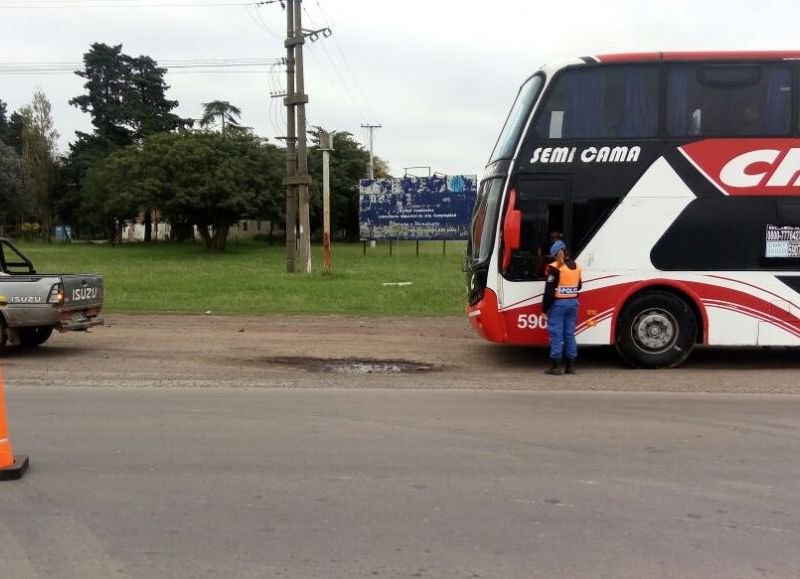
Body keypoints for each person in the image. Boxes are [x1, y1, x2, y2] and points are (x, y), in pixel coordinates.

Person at [542, 239, 582, 375]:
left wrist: (544, 309)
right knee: (569, 334)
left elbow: (549, 291)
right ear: (566, 251)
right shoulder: (576, 266)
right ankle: (570, 367)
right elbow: (579, 286)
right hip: (573, 304)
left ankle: (555, 367)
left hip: (559, 305)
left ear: (554, 255)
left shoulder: (554, 267)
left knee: (556, 334)